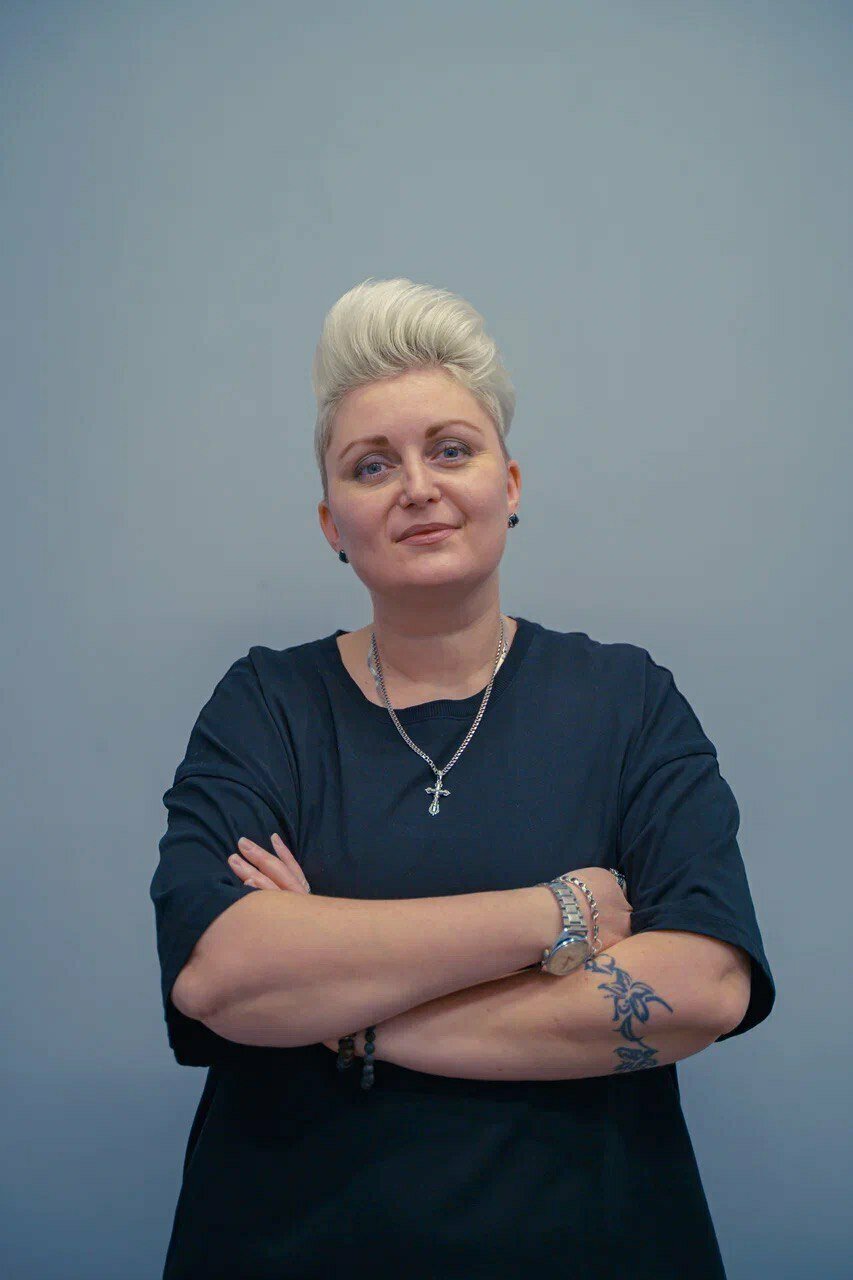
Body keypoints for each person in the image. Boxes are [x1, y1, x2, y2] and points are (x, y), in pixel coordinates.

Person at [149, 276, 775, 1279]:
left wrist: (348, 1015)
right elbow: (222, 974)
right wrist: (555, 914)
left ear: (509, 484)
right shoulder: (266, 705)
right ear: (331, 522)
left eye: (450, 449)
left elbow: (703, 987)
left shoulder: (625, 700)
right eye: (371, 464)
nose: (416, 486)